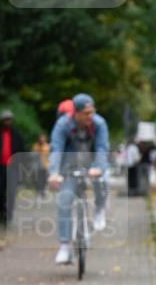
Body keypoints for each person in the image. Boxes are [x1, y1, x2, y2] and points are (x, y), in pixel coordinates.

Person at [47, 94, 111, 264]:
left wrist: (98, 167)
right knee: (64, 200)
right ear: (76, 112)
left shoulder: (99, 124)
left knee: (103, 181)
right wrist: (54, 172)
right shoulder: (63, 125)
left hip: (92, 165)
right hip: (69, 167)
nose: (91, 116)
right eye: (86, 113)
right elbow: (56, 148)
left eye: (92, 112)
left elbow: (102, 148)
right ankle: (64, 247)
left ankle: (99, 209)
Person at [32, 133, 50, 198]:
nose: (42, 139)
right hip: (37, 165)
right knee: (38, 178)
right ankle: (38, 189)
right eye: (41, 138)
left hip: (45, 165)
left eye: (43, 138)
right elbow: (33, 155)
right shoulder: (36, 146)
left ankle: (42, 190)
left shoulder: (47, 146)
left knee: (44, 179)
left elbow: (49, 155)